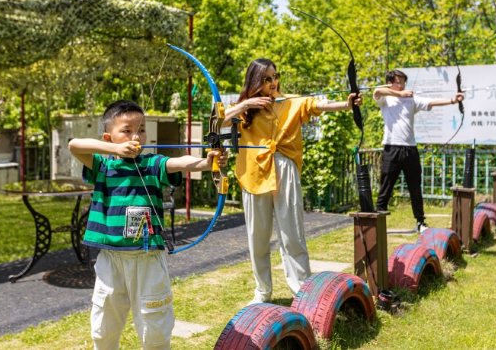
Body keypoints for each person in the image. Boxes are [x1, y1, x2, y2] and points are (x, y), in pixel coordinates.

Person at [68, 100, 227, 350]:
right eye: (127, 130)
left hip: (147, 258)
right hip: (111, 258)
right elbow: (74, 145)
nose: (136, 136)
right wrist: (114, 150)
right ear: (109, 136)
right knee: (103, 327)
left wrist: (207, 163)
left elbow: (179, 162)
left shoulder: (151, 164)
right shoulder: (103, 166)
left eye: (141, 130)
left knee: (154, 327)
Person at [223, 58, 362, 305]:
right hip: (253, 171)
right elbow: (218, 120)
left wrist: (347, 104)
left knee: (292, 233)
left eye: (275, 76)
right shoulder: (244, 107)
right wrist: (247, 103)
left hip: (284, 167)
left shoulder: (292, 101)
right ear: (255, 81)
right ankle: (262, 291)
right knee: (257, 236)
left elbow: (321, 104)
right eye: (266, 79)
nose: (273, 82)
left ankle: (301, 290)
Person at [373, 69, 464, 233]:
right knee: (386, 186)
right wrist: (400, 94)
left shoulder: (411, 99)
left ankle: (420, 222)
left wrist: (452, 100)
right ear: (390, 82)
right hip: (391, 147)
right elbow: (377, 91)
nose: (401, 85)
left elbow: (431, 102)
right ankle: (377, 223)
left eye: (403, 82)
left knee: (415, 187)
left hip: (410, 149)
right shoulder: (385, 99)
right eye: (397, 82)